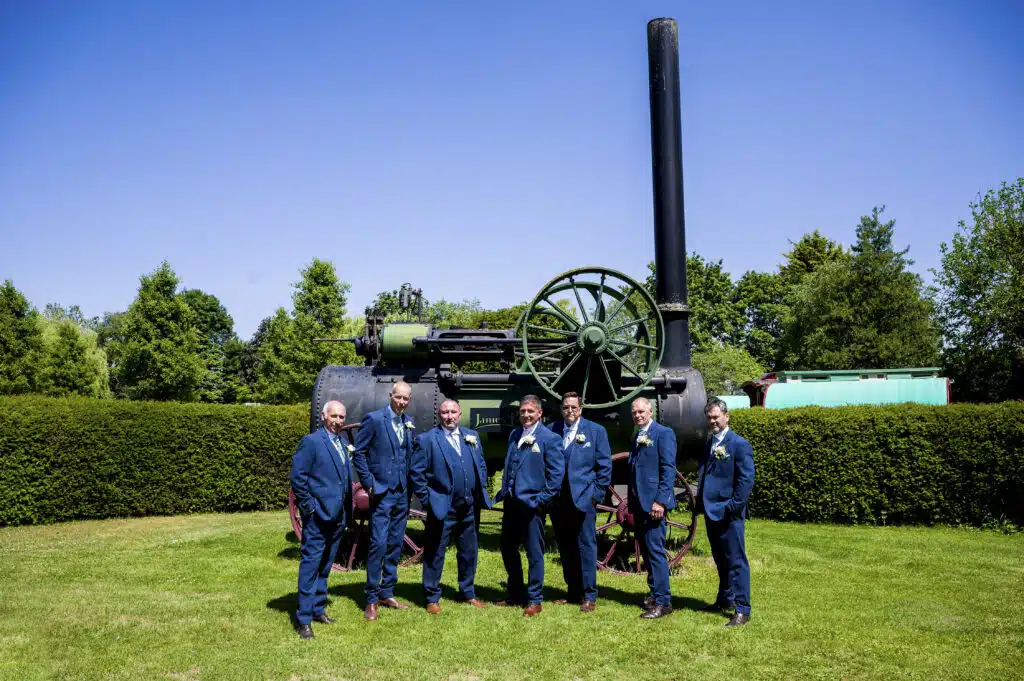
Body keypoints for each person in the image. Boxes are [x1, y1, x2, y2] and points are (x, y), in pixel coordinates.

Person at [410, 399, 493, 614]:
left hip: (469, 505)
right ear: (439, 414)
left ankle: (467, 592)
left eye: (453, 412)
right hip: (442, 506)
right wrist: (429, 500)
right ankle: (431, 597)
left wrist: (480, 484)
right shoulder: (427, 440)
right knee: (436, 552)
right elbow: (417, 474)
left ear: (459, 413)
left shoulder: (471, 436)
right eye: (445, 412)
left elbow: (481, 464)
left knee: (469, 551)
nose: (449, 416)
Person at [494, 394, 564, 616]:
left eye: (530, 411)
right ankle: (515, 593)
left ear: (540, 413)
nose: (525, 415)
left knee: (534, 553)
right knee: (507, 548)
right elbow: (510, 465)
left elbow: (556, 476)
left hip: (533, 506)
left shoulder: (549, 439)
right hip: (512, 503)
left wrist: (541, 501)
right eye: (523, 411)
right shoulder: (515, 434)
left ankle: (535, 600)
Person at [290, 400, 354, 639]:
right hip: (318, 516)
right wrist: (309, 508)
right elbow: (298, 478)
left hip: (338, 516)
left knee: (326, 565)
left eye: (341, 417)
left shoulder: (342, 443)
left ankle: (318, 609)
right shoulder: (312, 442)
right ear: (324, 416)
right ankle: (303, 619)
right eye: (334, 416)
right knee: (310, 566)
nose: (338, 421)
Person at [352, 381, 415, 621]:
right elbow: (359, 453)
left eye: (406, 399)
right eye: (398, 397)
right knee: (378, 543)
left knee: (395, 543)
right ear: (390, 396)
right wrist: (369, 483)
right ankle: (370, 598)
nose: (401, 402)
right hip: (382, 492)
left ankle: (387, 592)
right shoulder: (375, 419)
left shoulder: (407, 423)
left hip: (402, 493)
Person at [549, 391, 612, 612]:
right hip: (558, 501)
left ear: (581, 409)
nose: (570, 411)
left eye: (574, 407)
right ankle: (573, 591)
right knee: (565, 547)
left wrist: (596, 495)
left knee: (586, 546)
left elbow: (604, 467)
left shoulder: (596, 432)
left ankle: (589, 595)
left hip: (584, 499)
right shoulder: (551, 431)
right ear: (561, 410)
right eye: (566, 407)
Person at [697, 398, 755, 627]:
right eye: (709, 418)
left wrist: (733, 507)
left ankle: (743, 609)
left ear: (726, 416)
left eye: (716, 417)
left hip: (729, 513)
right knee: (720, 559)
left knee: (737, 560)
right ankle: (725, 599)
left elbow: (745, 479)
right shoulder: (709, 444)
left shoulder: (739, 444)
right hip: (711, 511)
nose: (713, 421)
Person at [629, 397, 677, 620]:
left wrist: (661, 501)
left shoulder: (663, 433)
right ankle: (653, 594)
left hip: (654, 504)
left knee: (656, 553)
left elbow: (668, 470)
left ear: (651, 411)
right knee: (648, 553)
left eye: (641, 411)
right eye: (634, 412)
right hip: (639, 504)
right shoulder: (636, 435)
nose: (637, 415)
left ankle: (663, 602)